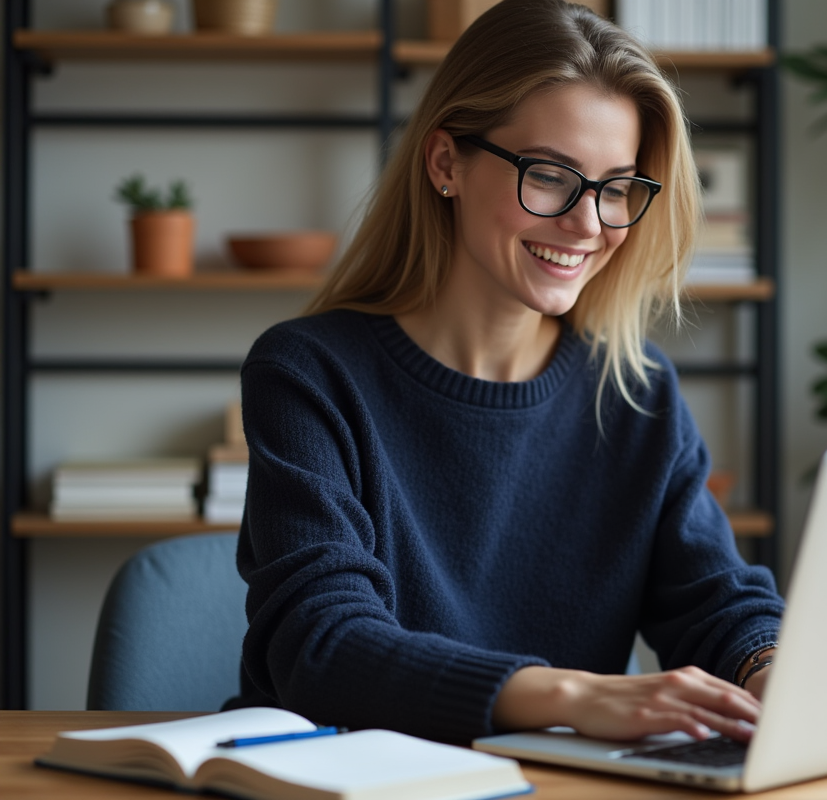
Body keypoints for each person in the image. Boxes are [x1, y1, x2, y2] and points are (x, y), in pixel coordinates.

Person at [229, 0, 785, 746]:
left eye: (617, 188)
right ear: (445, 163)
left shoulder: (635, 389)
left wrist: (768, 667)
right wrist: (575, 696)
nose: (589, 224)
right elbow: (322, 647)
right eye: (552, 176)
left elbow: (714, 599)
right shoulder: (311, 373)